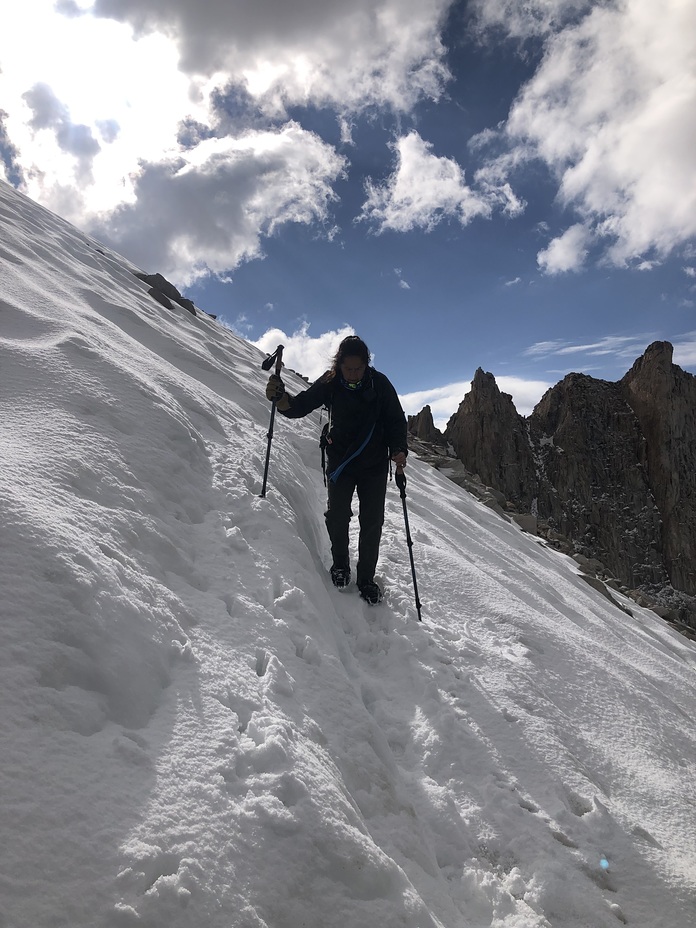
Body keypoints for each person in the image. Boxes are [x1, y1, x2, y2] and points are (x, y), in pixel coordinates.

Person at [265, 335, 408, 604]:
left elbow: (396, 421)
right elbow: (301, 405)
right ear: (339, 365)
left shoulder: (381, 384)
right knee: (338, 515)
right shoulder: (330, 382)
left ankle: (366, 578)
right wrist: (281, 399)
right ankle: (340, 565)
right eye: (348, 368)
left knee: (372, 523)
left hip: (374, 466)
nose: (353, 374)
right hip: (341, 463)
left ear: (367, 365)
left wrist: (399, 448)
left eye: (358, 368)